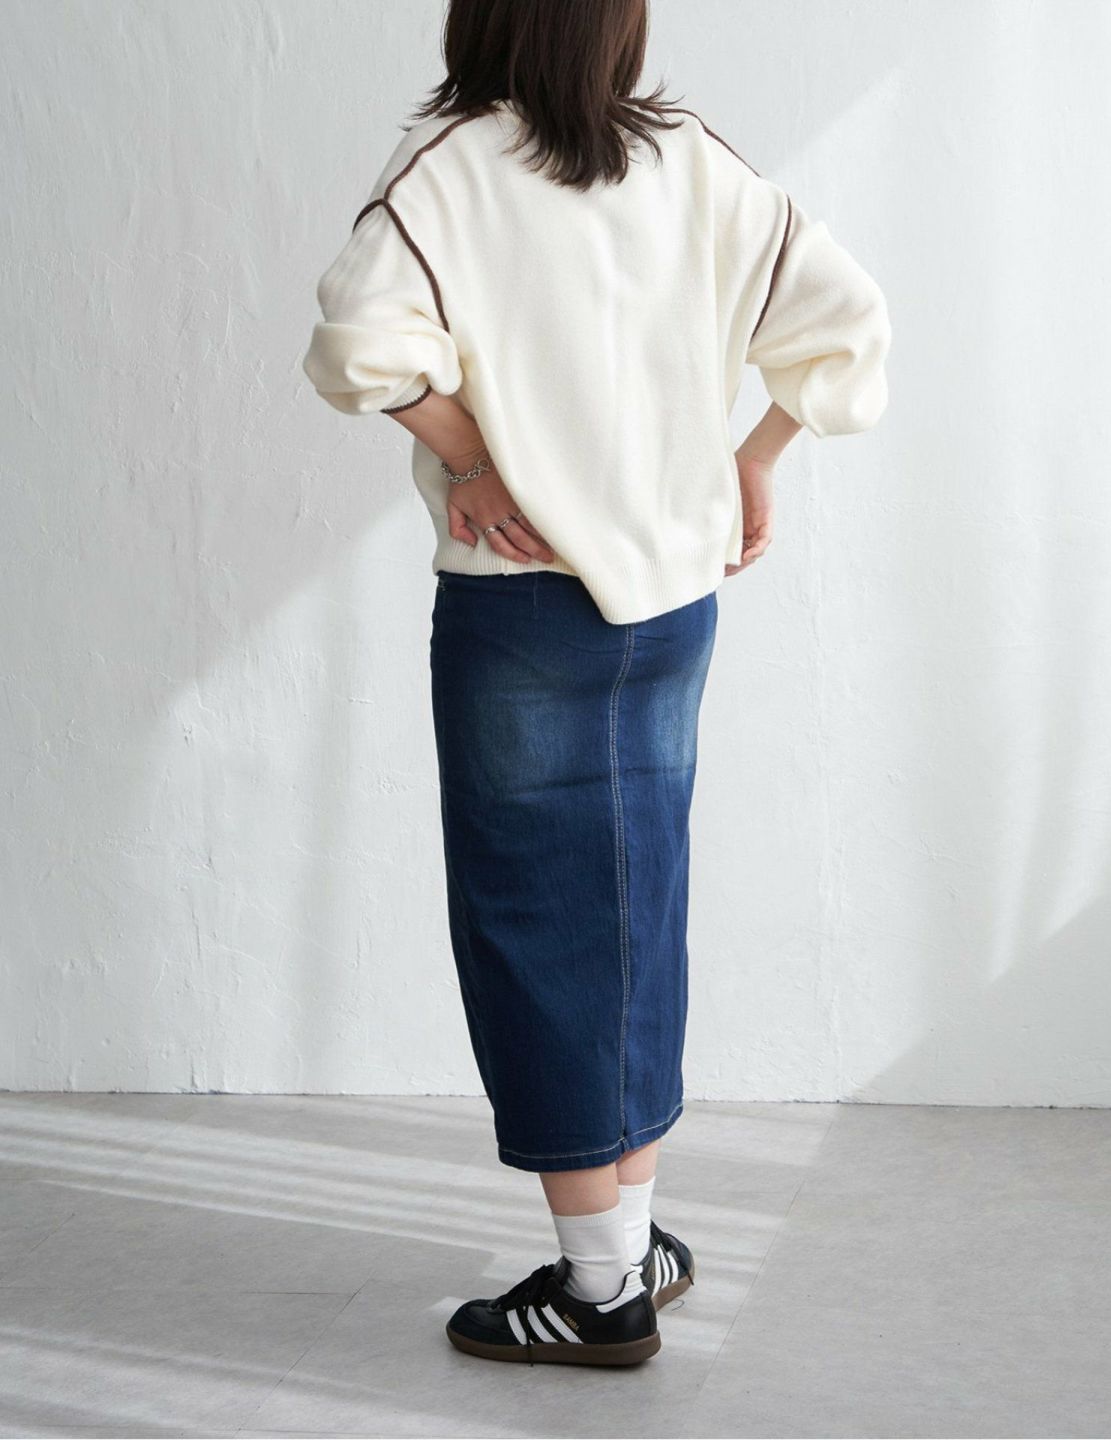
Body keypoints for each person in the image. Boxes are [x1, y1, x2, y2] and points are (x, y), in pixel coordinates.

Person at [301, 0, 891, 1368]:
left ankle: (599, 1290)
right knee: (633, 906)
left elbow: (354, 346)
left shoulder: (450, 169)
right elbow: (848, 319)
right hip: (672, 602)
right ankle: (631, 1239)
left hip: (523, 608)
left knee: (539, 925)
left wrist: (470, 458)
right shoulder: (691, 161)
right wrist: (756, 455)